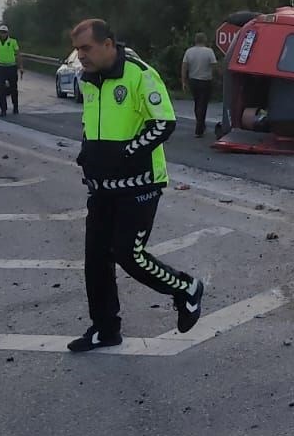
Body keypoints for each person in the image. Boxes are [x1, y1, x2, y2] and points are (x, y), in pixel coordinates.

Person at [68, 18, 205, 352]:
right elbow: (92, 124)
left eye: (86, 48)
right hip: (101, 187)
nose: (80, 55)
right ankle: (105, 329)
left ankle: (186, 288)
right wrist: (88, 154)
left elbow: (164, 123)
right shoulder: (88, 80)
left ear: (108, 44)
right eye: (77, 49)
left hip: (139, 184)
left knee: (128, 254)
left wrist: (124, 155)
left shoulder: (140, 74)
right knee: (96, 259)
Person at [181, 32, 219, 137]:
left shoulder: (189, 52)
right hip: (206, 81)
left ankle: (200, 124)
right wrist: (216, 77)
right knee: (203, 104)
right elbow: (214, 66)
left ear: (195, 40)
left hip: (193, 80)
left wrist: (184, 81)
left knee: (197, 103)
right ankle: (199, 128)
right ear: (204, 40)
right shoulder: (209, 52)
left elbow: (184, 66)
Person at [0, 24, 23, 116]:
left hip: (11, 67)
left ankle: (15, 107)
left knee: (13, 89)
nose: (3, 34)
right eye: (1, 32)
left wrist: (21, 67)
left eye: (4, 32)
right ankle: (3, 110)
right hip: (1, 67)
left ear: (7, 33)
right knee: (1, 90)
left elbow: (18, 54)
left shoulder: (13, 41)